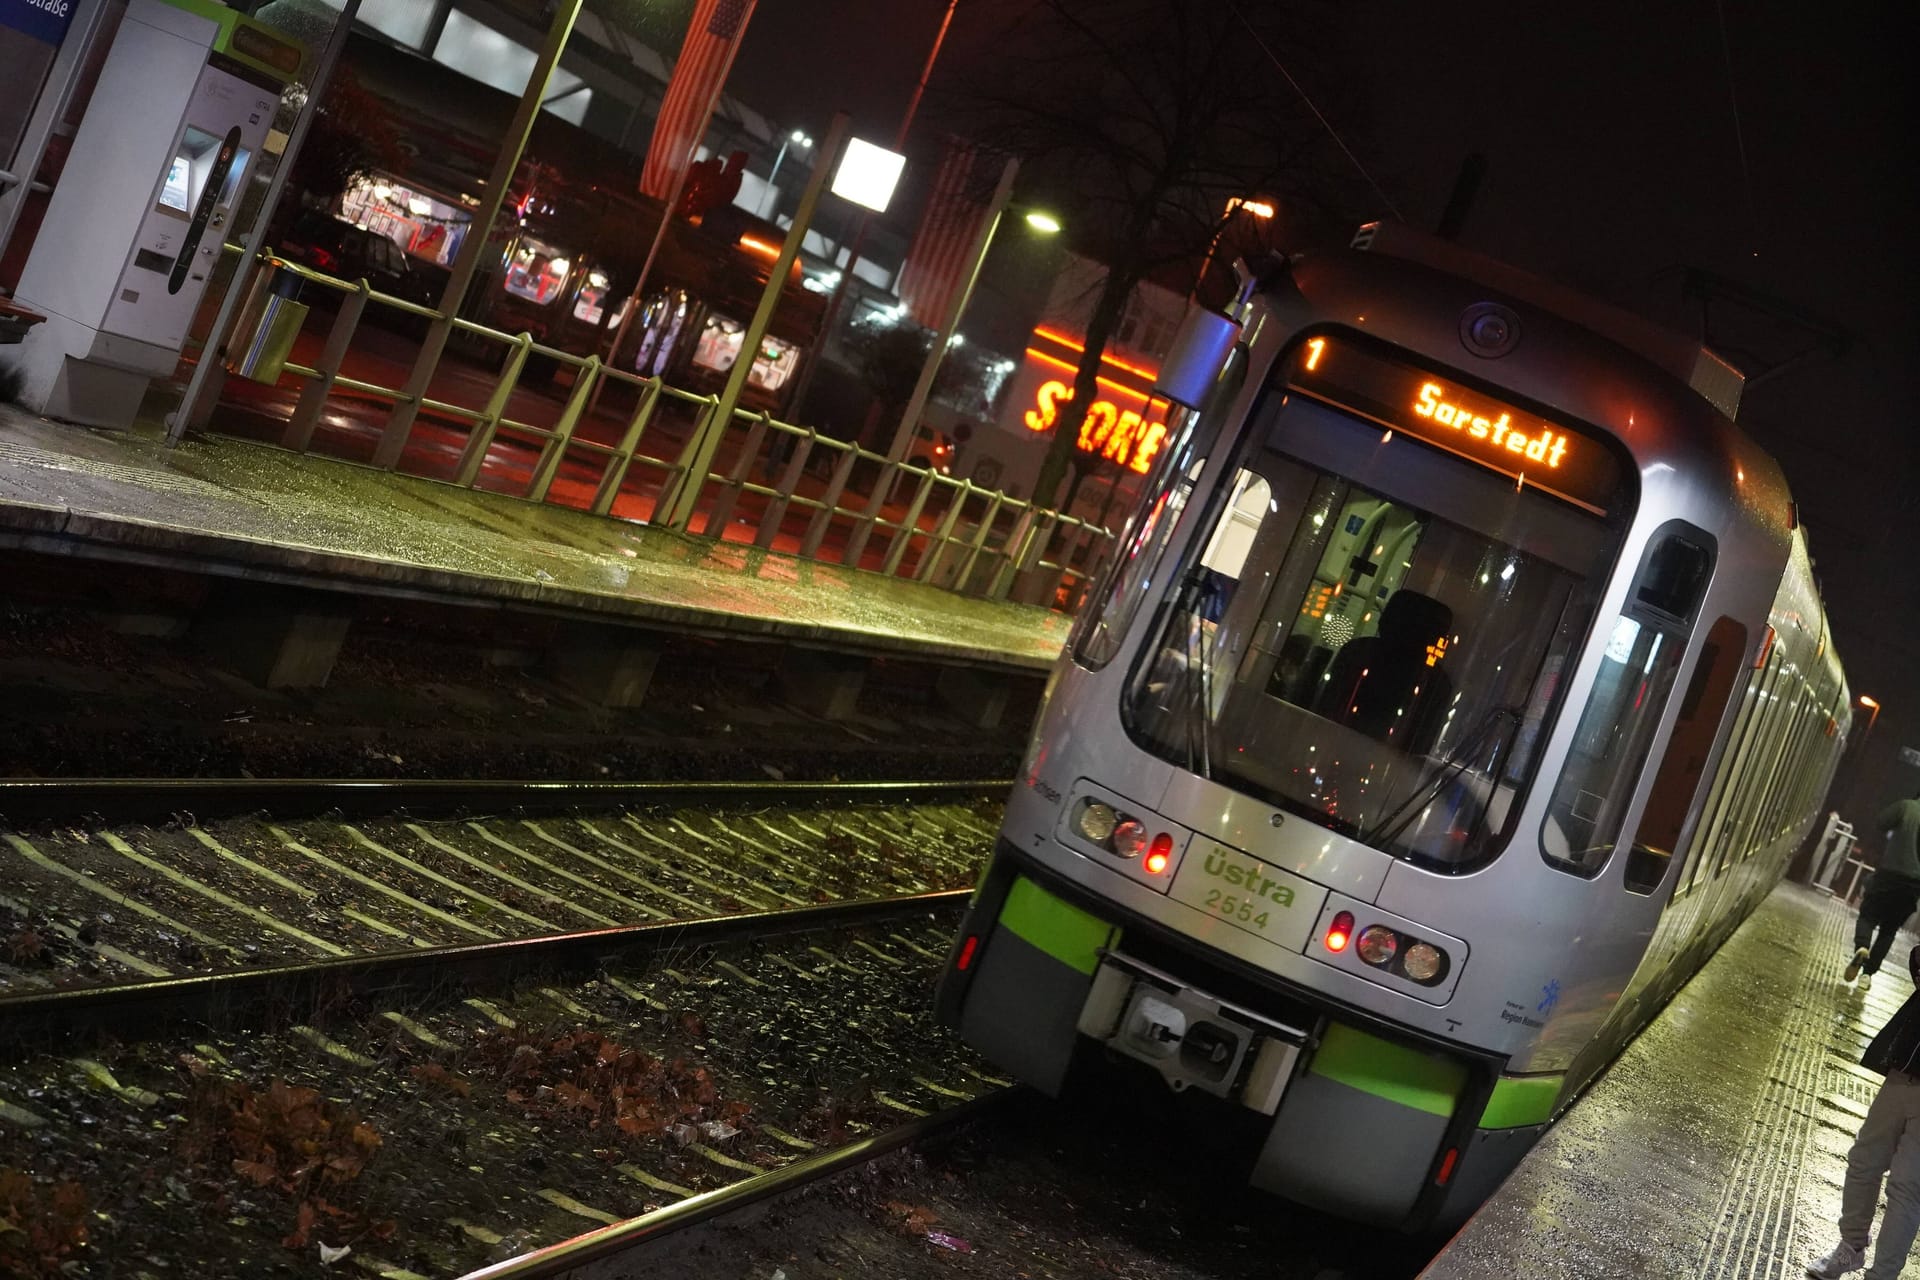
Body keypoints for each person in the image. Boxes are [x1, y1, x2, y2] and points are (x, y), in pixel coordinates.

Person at [1808, 943, 1920, 1278]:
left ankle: (1882, 1275)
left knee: (1907, 1186)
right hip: (1906, 1068)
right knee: (1864, 1160)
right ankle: (1851, 1247)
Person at [1844, 794, 1920, 988]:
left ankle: (1862, 946)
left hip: (1888, 875)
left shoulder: (1906, 807)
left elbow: (1881, 821)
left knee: (1868, 916)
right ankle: (1867, 975)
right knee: (1889, 929)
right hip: (1912, 885)